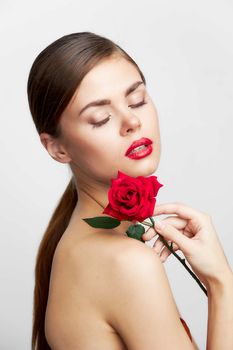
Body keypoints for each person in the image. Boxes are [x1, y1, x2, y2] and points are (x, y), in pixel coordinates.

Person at [27, 32, 233, 350]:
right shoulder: (125, 262)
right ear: (57, 148)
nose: (132, 121)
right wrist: (221, 283)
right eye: (101, 118)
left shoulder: (78, 246)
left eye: (137, 100)